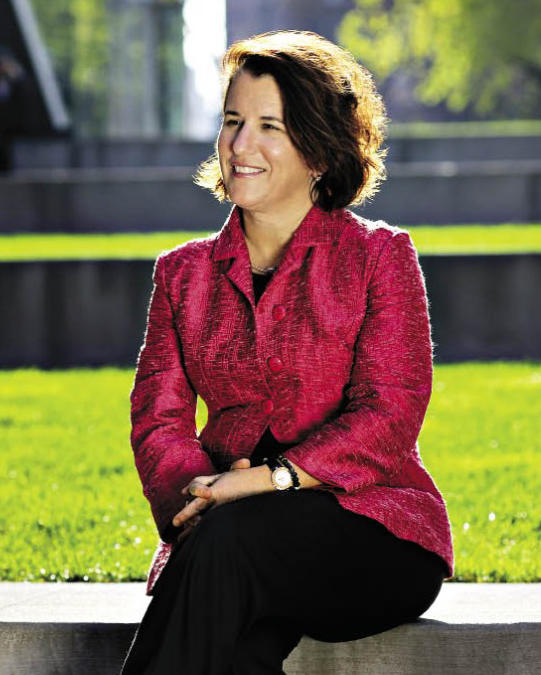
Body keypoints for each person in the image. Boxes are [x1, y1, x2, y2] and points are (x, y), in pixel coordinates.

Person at [120, 30, 453, 675]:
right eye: (232, 122)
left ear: (319, 151)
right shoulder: (182, 274)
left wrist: (264, 481)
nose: (240, 146)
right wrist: (194, 497)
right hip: (221, 533)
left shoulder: (380, 258)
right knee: (233, 610)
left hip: (371, 531)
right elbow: (157, 419)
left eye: (268, 126)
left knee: (231, 549)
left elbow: (390, 416)